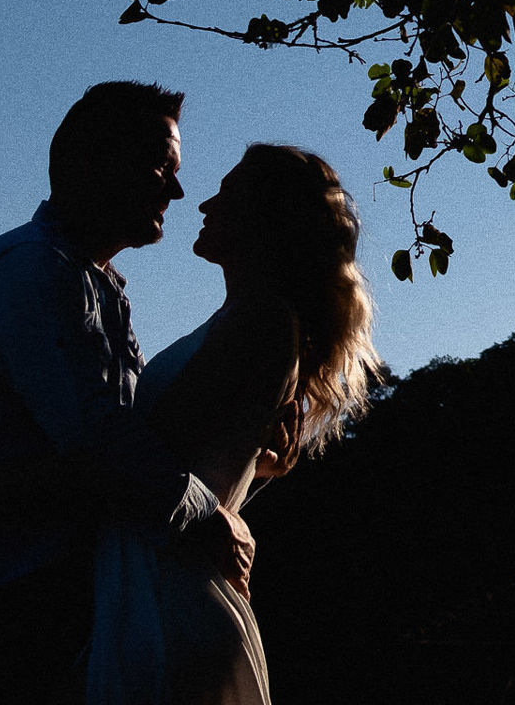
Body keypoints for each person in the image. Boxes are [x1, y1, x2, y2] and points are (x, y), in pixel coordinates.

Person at [0, 82, 251, 704]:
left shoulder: (93, 283)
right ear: (90, 161)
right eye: (161, 167)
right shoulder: (29, 271)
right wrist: (206, 515)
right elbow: (97, 442)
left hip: (57, 599)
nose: (175, 191)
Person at [86, 143, 380, 705]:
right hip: (161, 577)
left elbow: (144, 455)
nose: (203, 204)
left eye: (228, 192)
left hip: (168, 588)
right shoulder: (248, 321)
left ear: (267, 217)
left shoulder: (261, 320)